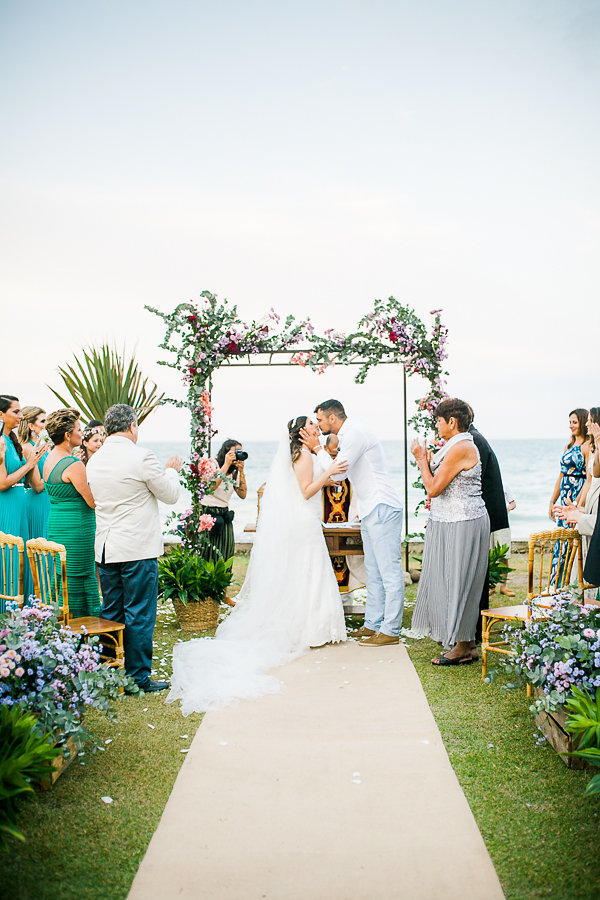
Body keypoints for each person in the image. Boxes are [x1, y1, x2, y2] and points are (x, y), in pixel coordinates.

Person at [168, 415, 348, 714]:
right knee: (308, 575)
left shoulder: (299, 453)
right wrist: (327, 472)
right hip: (304, 521)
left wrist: (326, 470)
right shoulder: (303, 454)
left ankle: (310, 626)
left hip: (302, 520)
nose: (318, 429)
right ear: (303, 433)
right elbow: (304, 491)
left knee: (304, 576)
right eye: (314, 427)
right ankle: (313, 629)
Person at [86, 404, 183, 692]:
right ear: (132, 426)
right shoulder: (142, 457)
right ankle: (137, 677)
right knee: (140, 612)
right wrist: (171, 472)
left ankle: (108, 671)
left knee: (112, 612)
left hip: (105, 547)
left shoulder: (95, 460)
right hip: (136, 549)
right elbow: (171, 495)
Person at [301, 399, 404, 646]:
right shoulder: (349, 435)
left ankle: (390, 629)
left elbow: (338, 473)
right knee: (374, 572)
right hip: (370, 509)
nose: (319, 424)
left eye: (321, 419)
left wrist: (318, 450)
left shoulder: (355, 433)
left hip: (382, 506)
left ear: (333, 418)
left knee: (388, 571)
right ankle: (372, 624)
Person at [411, 398, 490, 665]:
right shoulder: (453, 447)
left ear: (452, 422)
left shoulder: (462, 447)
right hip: (447, 520)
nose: (436, 425)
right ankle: (463, 641)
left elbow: (433, 489)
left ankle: (464, 645)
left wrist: (422, 460)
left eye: (439, 420)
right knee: (447, 578)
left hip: (463, 520)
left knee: (461, 581)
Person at [43, 408, 100, 617]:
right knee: (79, 575)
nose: (82, 433)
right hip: (77, 530)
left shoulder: (50, 458)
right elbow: (93, 501)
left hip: (58, 526)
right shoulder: (73, 464)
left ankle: (63, 625)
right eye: (78, 429)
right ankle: (83, 628)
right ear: (68, 435)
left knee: (63, 576)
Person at [467, 406, 509, 647]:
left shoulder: (473, 441)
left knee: (478, 576)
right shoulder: (476, 438)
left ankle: (475, 629)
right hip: (488, 514)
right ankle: (476, 626)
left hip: (484, 516)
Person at [0, 395, 45, 606]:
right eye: (15, 412)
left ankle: (24, 614)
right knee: (8, 560)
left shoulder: (11, 440)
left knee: (22, 560)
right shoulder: (0, 442)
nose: (20, 416)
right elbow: (2, 483)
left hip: (20, 507)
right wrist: (30, 464)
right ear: (1, 414)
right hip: (6, 506)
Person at [554, 409, 600, 583]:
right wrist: (555, 500)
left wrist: (579, 506)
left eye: (590, 420)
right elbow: (560, 474)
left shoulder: (591, 446)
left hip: (585, 497)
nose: (587, 424)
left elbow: (592, 477)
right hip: (573, 499)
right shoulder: (570, 446)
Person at [199, 439, 247, 562]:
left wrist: (241, 472)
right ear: (225, 452)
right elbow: (212, 486)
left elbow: (243, 494)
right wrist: (226, 464)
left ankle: (223, 579)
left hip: (224, 514)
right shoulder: (212, 464)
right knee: (207, 551)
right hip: (207, 513)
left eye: (240, 452)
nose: (238, 455)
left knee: (226, 550)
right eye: (235, 452)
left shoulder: (234, 471)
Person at [18, 406, 51, 541]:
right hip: (37, 501)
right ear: (31, 426)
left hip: (46, 500)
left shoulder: (39, 446)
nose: (46, 425)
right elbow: (37, 485)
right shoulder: (27, 448)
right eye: (43, 421)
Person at [489, 484, 516, 597]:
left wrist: (508, 509)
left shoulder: (504, 485)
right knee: (489, 557)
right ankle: (491, 586)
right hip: (488, 523)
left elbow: (513, 503)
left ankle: (503, 586)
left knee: (503, 556)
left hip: (502, 523)